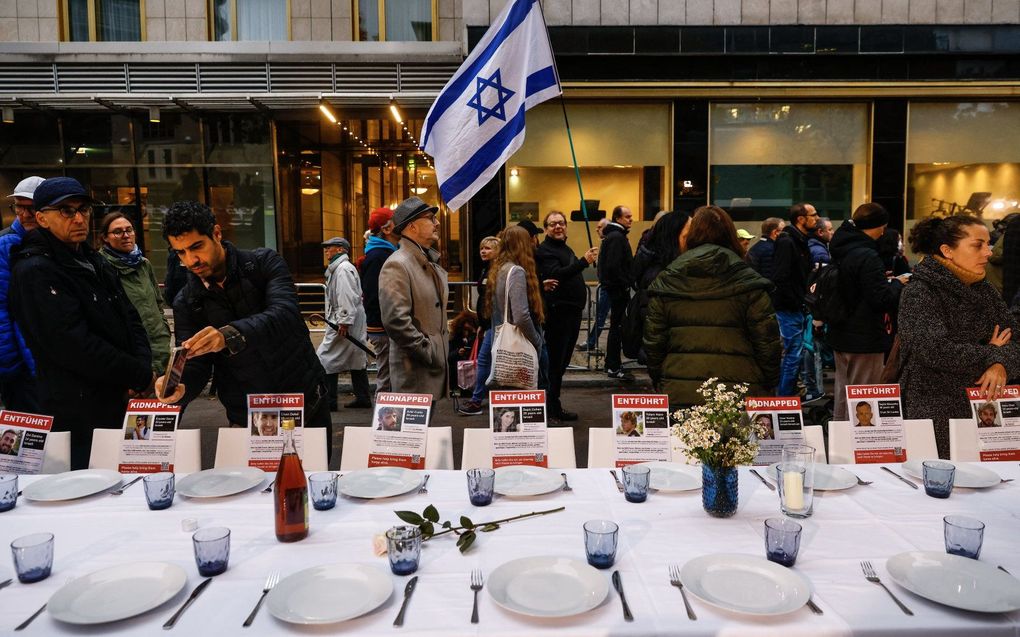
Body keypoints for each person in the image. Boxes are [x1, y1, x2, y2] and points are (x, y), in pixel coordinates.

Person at [154, 201, 332, 443]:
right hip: (247, 414)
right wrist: (181, 386)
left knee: (312, 479)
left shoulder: (264, 263)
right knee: (257, 482)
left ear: (216, 233)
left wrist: (228, 335)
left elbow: (285, 313)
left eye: (197, 247)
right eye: (181, 253)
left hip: (304, 400)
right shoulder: (187, 300)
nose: (191, 260)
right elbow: (196, 362)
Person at [9, 177, 153, 469]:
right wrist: (135, 372)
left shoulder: (92, 260)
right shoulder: (35, 270)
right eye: (66, 210)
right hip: (77, 406)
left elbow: (130, 316)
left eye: (83, 209)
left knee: (123, 480)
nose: (78, 218)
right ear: (41, 218)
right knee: (88, 486)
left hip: (115, 395)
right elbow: (72, 344)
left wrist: (141, 366)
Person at [898, 214, 1020, 458]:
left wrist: (1001, 363)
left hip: (986, 407)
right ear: (947, 250)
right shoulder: (920, 291)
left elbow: (1014, 338)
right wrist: (992, 353)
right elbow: (934, 350)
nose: (988, 252)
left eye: (988, 244)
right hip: (935, 410)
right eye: (978, 245)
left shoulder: (982, 287)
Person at [644, 205, 781, 407]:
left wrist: (660, 378)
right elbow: (767, 343)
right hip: (739, 391)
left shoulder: (668, 279)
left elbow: (654, 343)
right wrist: (768, 381)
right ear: (730, 235)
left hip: (679, 388)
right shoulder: (749, 281)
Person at [827, 204, 907, 420]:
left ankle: (839, 443)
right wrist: (898, 284)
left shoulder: (841, 248)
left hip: (840, 330)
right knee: (864, 394)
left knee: (844, 393)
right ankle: (859, 446)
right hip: (864, 335)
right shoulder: (867, 255)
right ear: (879, 226)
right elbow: (880, 299)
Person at [379, 196, 449, 399]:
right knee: (414, 430)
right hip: (414, 372)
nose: (436, 223)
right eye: (430, 218)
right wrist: (428, 351)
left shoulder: (424, 259)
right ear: (412, 227)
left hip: (426, 369)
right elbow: (396, 321)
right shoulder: (398, 264)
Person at [536, 211, 598, 421]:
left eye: (561, 223)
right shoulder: (545, 251)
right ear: (545, 229)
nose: (558, 227)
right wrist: (583, 261)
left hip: (572, 313)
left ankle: (554, 403)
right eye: (552, 224)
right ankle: (551, 408)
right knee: (555, 364)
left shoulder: (563, 248)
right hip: (559, 314)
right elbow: (556, 274)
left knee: (561, 364)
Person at [100, 212, 172, 375]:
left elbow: (158, 303)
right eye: (118, 232)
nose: (126, 235)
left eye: (129, 230)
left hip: (161, 350)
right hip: (132, 355)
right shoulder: (101, 268)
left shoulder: (144, 264)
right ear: (105, 237)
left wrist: (164, 330)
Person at [0, 176, 44, 413]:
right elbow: (1, 311)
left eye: (31, 208)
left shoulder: (54, 243)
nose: (24, 214)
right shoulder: (7, 245)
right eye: (19, 207)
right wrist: (11, 364)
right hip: (22, 368)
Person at [486, 225, 545, 386]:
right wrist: (537, 340)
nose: (533, 243)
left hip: (503, 342)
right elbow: (521, 315)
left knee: (509, 400)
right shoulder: (516, 271)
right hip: (520, 344)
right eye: (529, 240)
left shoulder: (499, 268)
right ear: (521, 244)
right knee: (528, 394)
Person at [770, 203, 819, 397]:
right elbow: (781, 277)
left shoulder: (798, 241)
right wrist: (797, 301)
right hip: (789, 308)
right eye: (813, 215)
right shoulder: (788, 241)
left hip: (794, 306)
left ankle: (785, 399)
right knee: (792, 356)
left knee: (794, 355)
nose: (816, 218)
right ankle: (783, 401)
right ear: (801, 219)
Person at [317, 236, 371, 410]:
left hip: (346, 320)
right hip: (349, 319)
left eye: (329, 247)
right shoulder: (341, 268)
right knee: (356, 357)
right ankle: (363, 398)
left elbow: (346, 296)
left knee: (326, 358)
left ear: (340, 249)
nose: (326, 250)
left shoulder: (342, 269)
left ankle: (329, 401)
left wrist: (344, 321)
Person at [458, 236, 500, 416]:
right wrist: (481, 324)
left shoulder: (499, 272)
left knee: (484, 361)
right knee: (487, 362)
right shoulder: (486, 269)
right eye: (482, 248)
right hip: (488, 324)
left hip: (496, 324)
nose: (483, 251)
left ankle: (476, 401)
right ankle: (481, 399)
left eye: (488, 248)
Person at [361, 207, 399, 396]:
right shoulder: (378, 256)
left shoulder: (385, 253)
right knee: (387, 376)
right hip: (383, 328)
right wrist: (377, 327)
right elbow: (374, 296)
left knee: (390, 374)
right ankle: (383, 420)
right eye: (397, 221)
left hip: (384, 326)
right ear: (386, 229)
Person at [599, 205, 635, 381]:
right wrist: (625, 283)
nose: (631, 219)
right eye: (627, 216)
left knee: (616, 327)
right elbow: (613, 266)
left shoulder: (614, 236)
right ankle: (613, 365)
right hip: (618, 290)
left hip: (616, 288)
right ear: (617, 218)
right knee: (617, 327)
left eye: (631, 216)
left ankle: (611, 363)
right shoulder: (616, 238)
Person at [580, 217, 610, 353]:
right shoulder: (606, 243)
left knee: (600, 315)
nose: (597, 229)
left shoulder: (610, 242)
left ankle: (591, 341)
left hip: (607, 285)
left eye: (599, 227)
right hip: (605, 284)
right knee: (601, 315)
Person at [448, 310, 478, 392]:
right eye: (464, 329)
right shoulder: (454, 339)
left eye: (469, 330)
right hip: (457, 375)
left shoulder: (476, 338)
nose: (466, 333)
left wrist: (474, 336)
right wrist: (457, 352)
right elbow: (448, 357)